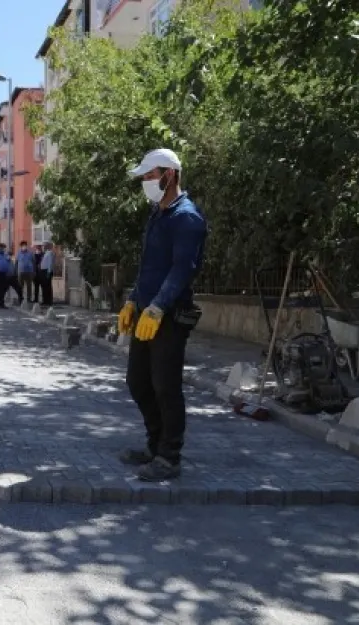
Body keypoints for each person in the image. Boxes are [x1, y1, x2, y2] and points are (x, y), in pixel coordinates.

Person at [117, 148, 207, 482]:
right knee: (138, 381)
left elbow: (183, 268)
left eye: (149, 176)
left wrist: (158, 305)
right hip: (146, 311)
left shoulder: (187, 217)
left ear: (169, 175)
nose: (145, 182)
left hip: (168, 315)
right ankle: (155, 445)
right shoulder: (158, 213)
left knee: (165, 386)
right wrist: (133, 300)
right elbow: (149, 267)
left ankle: (170, 456)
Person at [0, 243, 11, 308]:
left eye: (3, 248)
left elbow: (8, 262)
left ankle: (1, 303)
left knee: (3, 289)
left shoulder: (5, 255)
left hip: (4, 273)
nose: (2, 249)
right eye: (1, 248)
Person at [39, 242, 56, 307]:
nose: (42, 247)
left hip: (46, 271)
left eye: (43, 246)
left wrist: (48, 272)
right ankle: (45, 300)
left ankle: (48, 301)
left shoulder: (49, 253)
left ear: (47, 247)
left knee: (47, 286)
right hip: (43, 271)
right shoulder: (46, 253)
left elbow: (50, 263)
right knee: (44, 286)